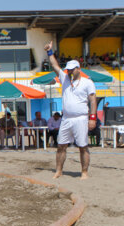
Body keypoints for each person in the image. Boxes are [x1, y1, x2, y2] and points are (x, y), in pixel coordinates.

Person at [44, 41, 97, 180]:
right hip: (66, 118)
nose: (69, 71)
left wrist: (92, 118)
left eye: (72, 69)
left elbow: (92, 100)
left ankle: (84, 172)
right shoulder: (65, 78)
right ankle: (59, 171)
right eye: (68, 69)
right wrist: (50, 52)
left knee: (83, 146)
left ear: (78, 68)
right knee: (61, 145)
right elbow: (55, 66)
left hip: (81, 118)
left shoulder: (87, 82)